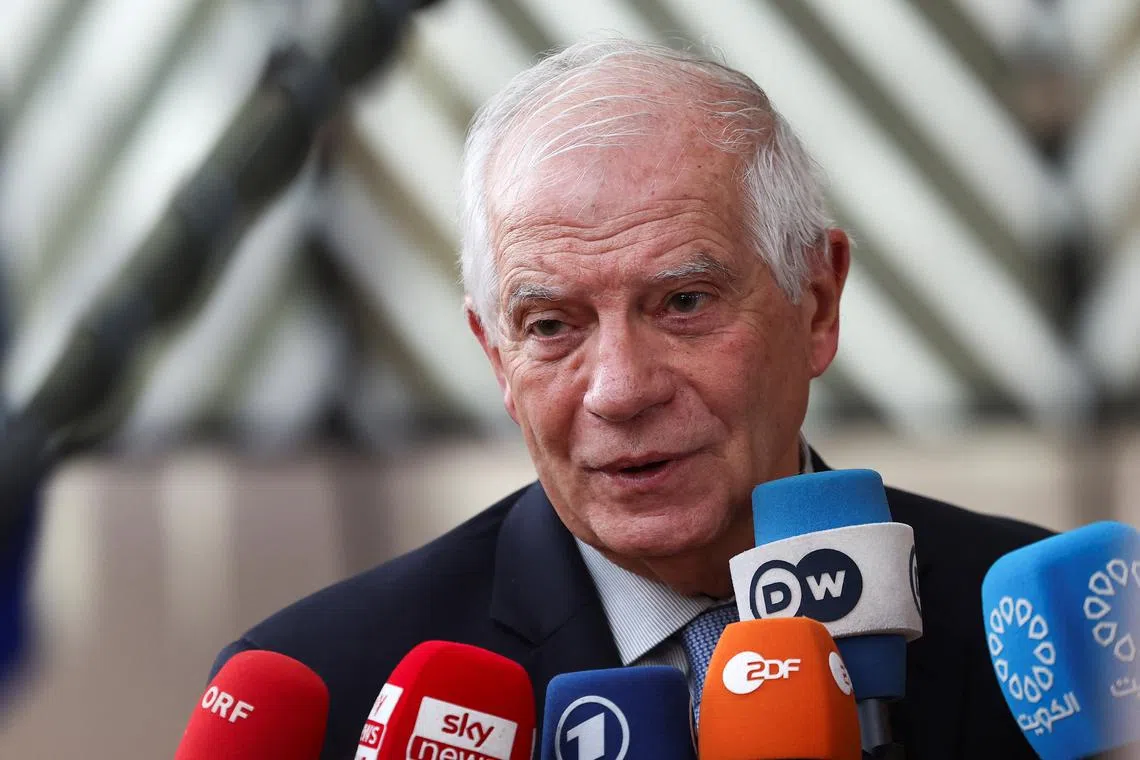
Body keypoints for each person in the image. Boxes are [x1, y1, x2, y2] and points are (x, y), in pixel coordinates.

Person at [209, 39, 1050, 758]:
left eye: (684, 303)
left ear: (817, 304)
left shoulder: (1039, 635)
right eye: (550, 325)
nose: (619, 391)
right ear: (495, 357)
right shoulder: (331, 690)